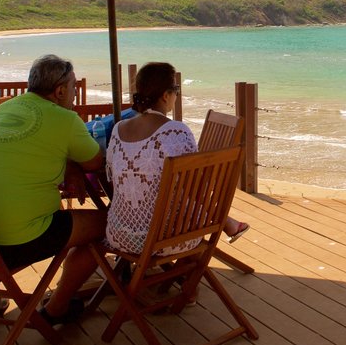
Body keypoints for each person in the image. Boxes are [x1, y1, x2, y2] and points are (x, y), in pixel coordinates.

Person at [0, 54, 105, 324]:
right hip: (17, 243)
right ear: (60, 90)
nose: (75, 94)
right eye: (73, 88)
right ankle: (57, 307)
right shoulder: (64, 119)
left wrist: (68, 163)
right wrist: (75, 160)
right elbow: (95, 161)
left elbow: (27, 152)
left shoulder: (4, 109)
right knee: (110, 225)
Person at [104, 62, 249, 258]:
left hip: (119, 235)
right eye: (176, 90)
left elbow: (112, 179)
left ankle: (229, 224)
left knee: (174, 194)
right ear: (165, 95)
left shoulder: (118, 129)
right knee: (183, 196)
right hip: (163, 240)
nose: (177, 95)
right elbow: (196, 187)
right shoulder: (175, 131)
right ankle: (227, 224)